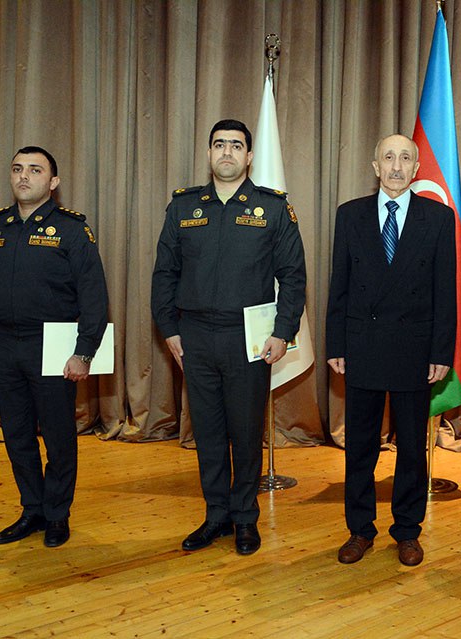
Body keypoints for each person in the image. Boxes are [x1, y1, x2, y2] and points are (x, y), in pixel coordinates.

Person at [151, 119, 306, 556]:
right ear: (208, 153)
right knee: (209, 431)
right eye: (219, 145)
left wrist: (283, 332)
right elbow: (165, 273)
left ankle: (244, 518)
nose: (227, 152)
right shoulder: (184, 207)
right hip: (195, 336)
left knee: (244, 429)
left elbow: (293, 277)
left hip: (250, 339)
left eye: (236, 146)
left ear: (249, 156)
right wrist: (170, 330)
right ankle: (215, 515)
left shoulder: (272, 208)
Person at [0, 146, 109, 548]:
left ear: (53, 182)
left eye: (35, 170)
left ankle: (58, 514)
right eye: (17, 169)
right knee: (17, 434)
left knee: (59, 436)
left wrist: (84, 351)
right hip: (4, 344)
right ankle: (33, 510)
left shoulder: (72, 230)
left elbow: (94, 296)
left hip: (54, 345)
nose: (24, 176)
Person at [326, 134, 456, 566]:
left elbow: (445, 291)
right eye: (388, 157)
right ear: (375, 165)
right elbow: (339, 287)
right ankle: (359, 530)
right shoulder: (350, 215)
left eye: (405, 158)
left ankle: (407, 531)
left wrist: (442, 351)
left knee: (413, 451)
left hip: (414, 350)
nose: (397, 166)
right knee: (360, 446)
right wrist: (335, 344)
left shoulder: (437, 218)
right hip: (362, 346)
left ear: (416, 168)